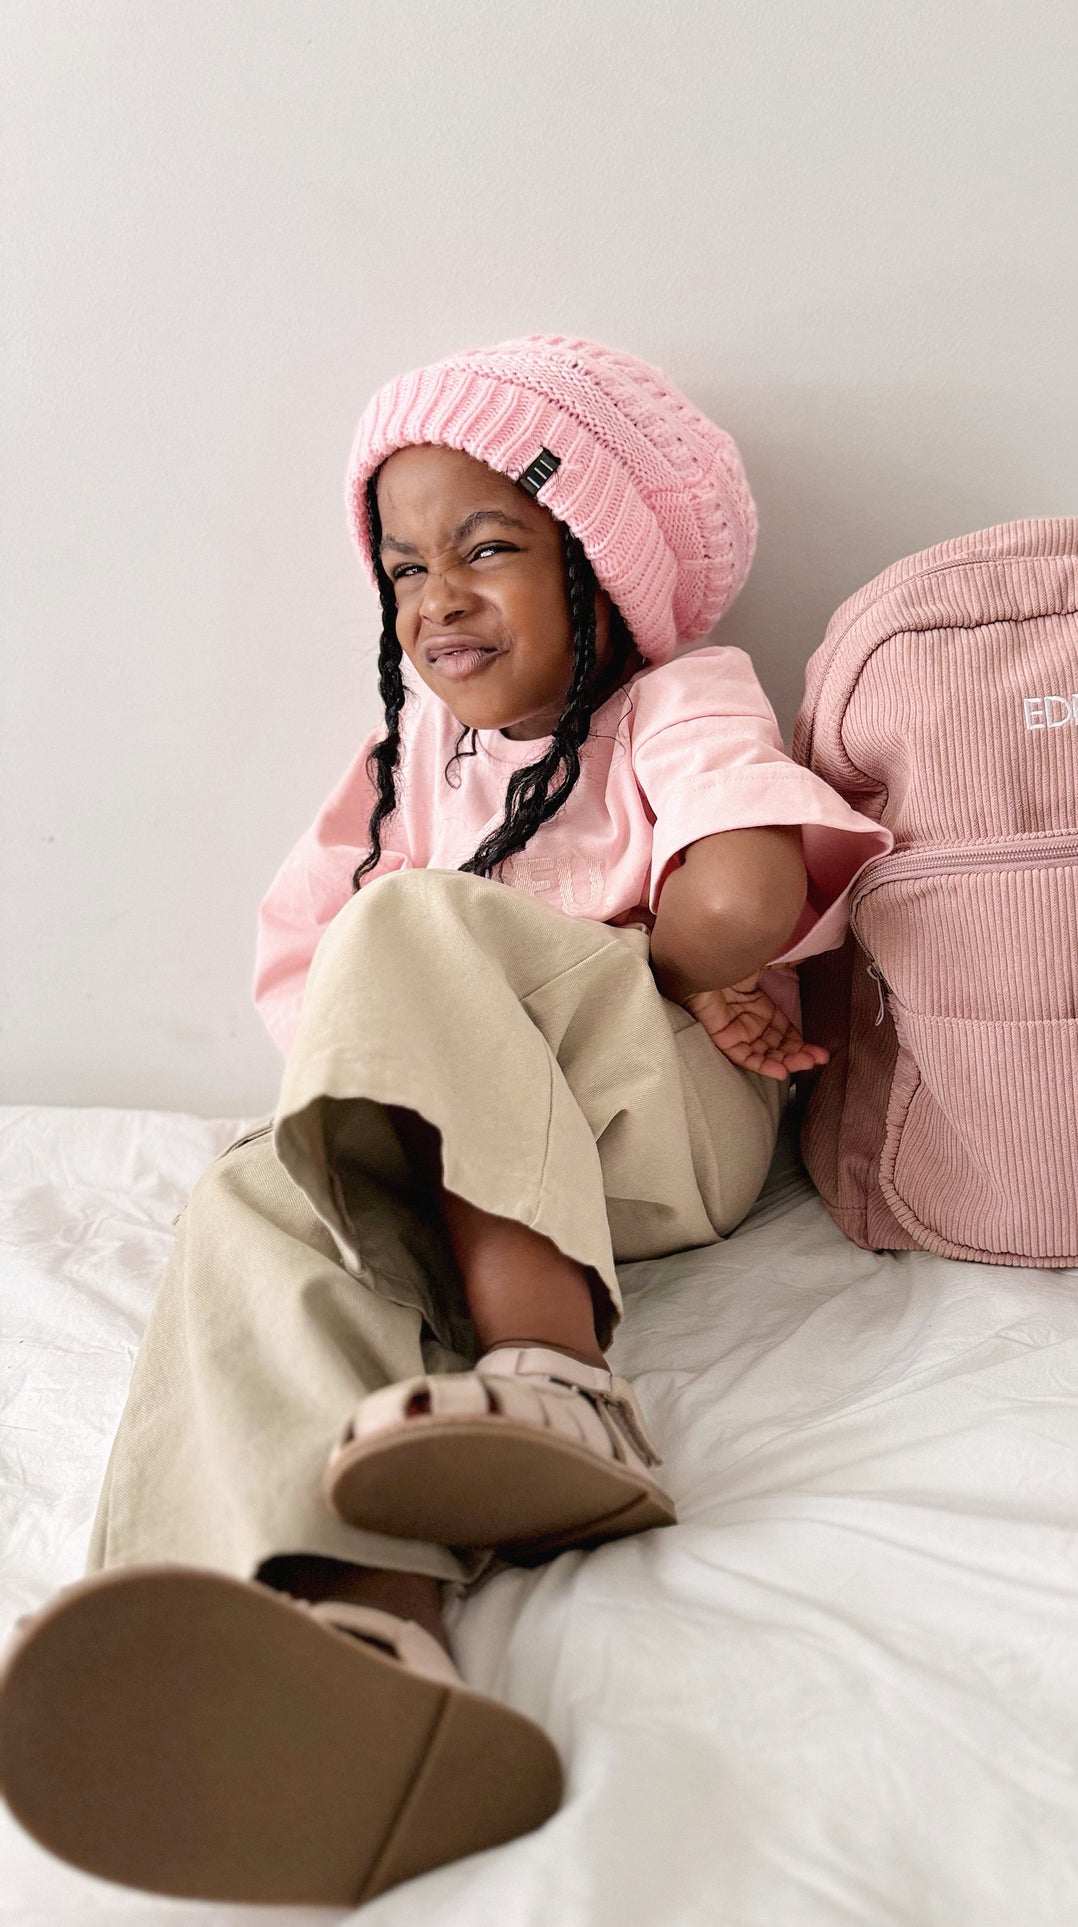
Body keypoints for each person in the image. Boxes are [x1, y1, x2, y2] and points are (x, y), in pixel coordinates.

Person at [0, 335, 893, 1905]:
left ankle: (554, 1367)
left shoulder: (673, 700)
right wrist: (471, 1021)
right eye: (405, 567)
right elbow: (323, 1004)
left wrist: (660, 975)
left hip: (660, 1128)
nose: (437, 599)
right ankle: (333, 1640)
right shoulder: (408, 761)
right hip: (491, 1137)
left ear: (601, 571)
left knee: (417, 925)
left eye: (490, 548)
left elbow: (748, 890)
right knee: (254, 1205)